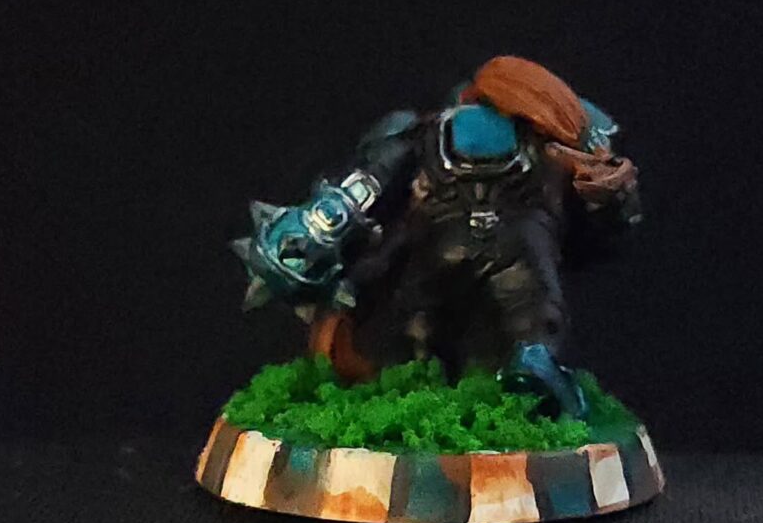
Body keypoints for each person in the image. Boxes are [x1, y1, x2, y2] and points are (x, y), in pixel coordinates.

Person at [231, 56, 640, 418]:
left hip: (439, 243)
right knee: (532, 318)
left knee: (416, 321)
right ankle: (531, 360)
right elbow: (610, 220)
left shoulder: (426, 130)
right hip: (519, 248)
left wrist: (319, 226)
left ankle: (426, 374)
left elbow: (362, 188)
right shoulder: (550, 144)